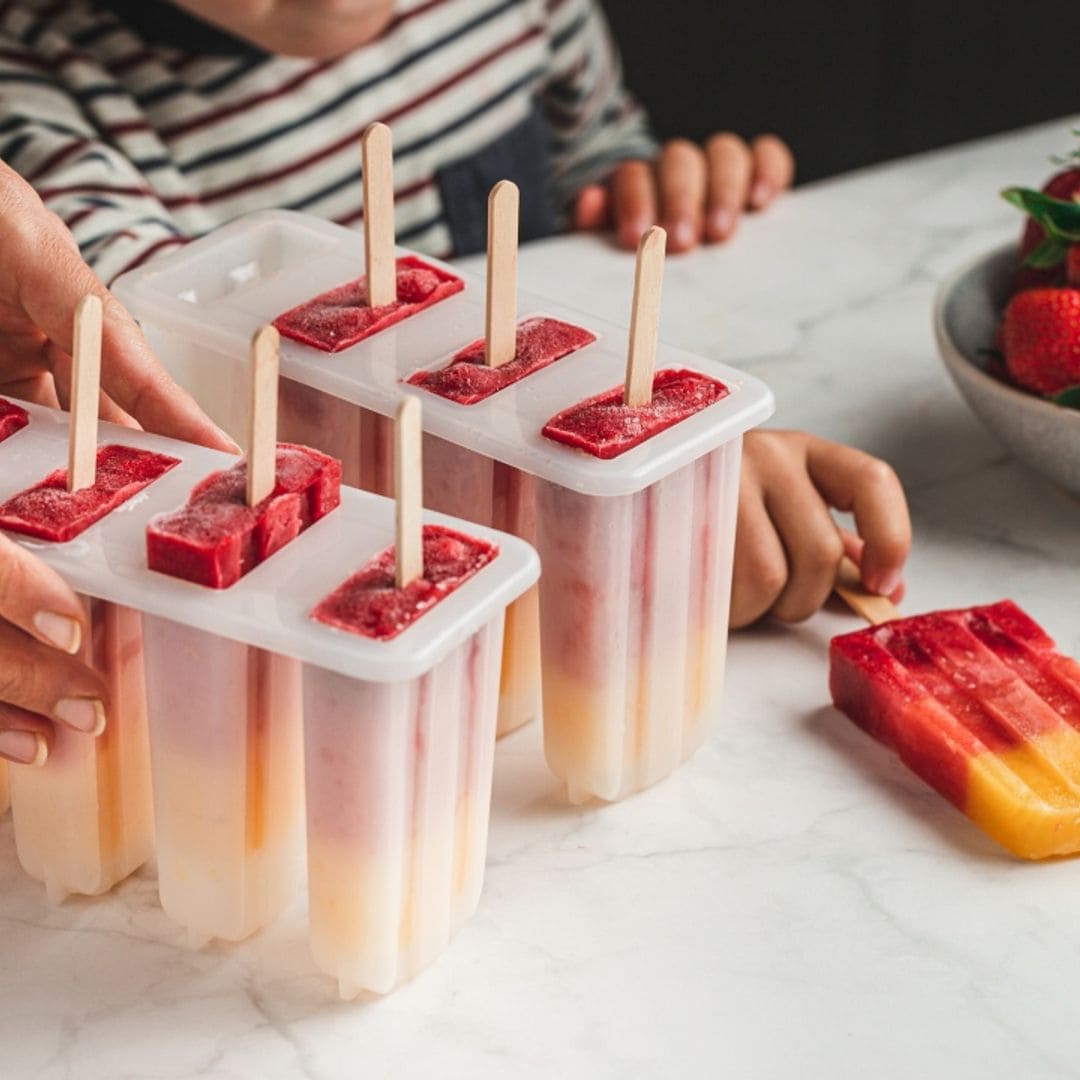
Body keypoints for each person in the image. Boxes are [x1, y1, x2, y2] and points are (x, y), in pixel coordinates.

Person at [0, 1, 909, 766]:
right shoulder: (43, 90)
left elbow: (593, 154)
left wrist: (647, 189)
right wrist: (628, 511)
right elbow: (159, 384)